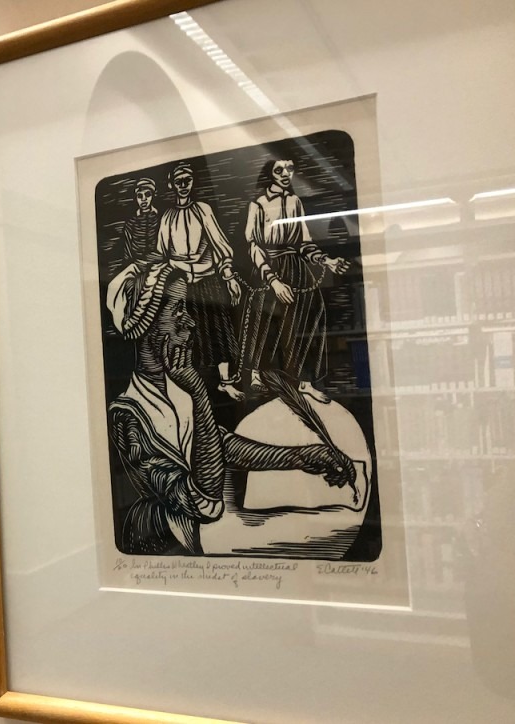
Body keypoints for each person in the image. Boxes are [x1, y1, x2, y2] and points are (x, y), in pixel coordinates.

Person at [105, 261, 355, 555]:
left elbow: (219, 444)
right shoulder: (126, 415)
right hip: (169, 551)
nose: (190, 322)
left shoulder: (175, 391)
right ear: (147, 327)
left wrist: (303, 456)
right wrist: (199, 393)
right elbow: (204, 503)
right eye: (177, 311)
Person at [237, 159, 350, 402]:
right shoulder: (258, 204)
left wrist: (326, 261)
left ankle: (304, 382)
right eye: (279, 170)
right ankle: (256, 376)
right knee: (264, 319)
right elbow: (253, 246)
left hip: (295, 267)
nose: (286, 173)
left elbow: (304, 242)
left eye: (289, 169)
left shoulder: (295, 201)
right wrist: (273, 281)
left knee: (311, 314)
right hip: (268, 268)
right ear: (269, 174)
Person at [156, 162, 244, 400]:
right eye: (179, 181)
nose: (183, 185)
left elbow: (220, 245)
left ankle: (225, 382)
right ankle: (192, 388)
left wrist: (229, 277)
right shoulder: (167, 217)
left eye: (187, 180)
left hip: (208, 281)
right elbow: (162, 253)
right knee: (186, 335)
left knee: (218, 332)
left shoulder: (203, 210)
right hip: (180, 284)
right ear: (172, 185)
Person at [121, 177, 161, 265]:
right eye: (140, 196)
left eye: (147, 194)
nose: (143, 199)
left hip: (158, 264)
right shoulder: (131, 223)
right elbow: (127, 252)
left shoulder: (161, 219)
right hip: (136, 264)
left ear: (153, 195)